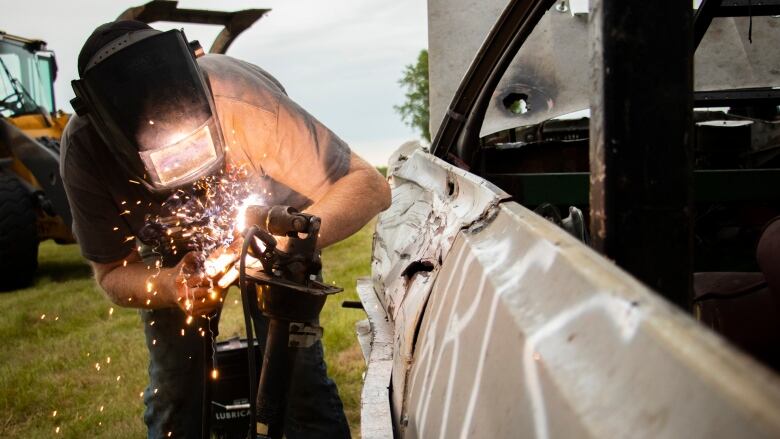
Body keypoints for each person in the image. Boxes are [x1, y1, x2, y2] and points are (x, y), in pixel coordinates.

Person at [61, 20, 390, 439]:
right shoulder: (85, 151)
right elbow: (111, 273)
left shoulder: (242, 100)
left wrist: (280, 244)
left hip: (274, 228)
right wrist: (169, 286)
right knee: (175, 389)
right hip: (171, 252)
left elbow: (368, 186)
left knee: (298, 380)